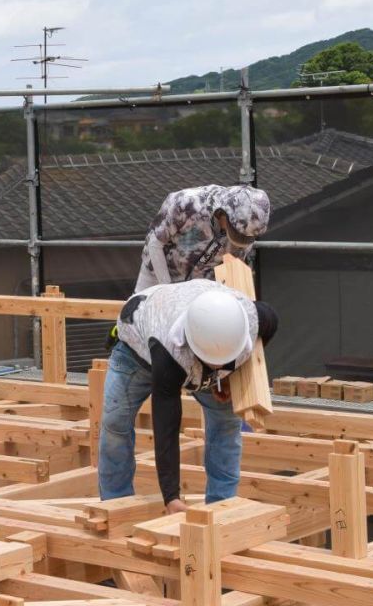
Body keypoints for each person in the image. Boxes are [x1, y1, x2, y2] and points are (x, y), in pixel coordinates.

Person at [98, 279, 279, 513]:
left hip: (194, 340)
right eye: (213, 361)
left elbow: (270, 325)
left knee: (226, 424)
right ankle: (116, 505)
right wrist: (171, 496)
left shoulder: (255, 319)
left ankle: (221, 507)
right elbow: (166, 428)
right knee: (115, 425)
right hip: (137, 349)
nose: (219, 365)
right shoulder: (169, 354)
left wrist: (226, 377)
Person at [135, 184, 271, 292]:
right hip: (159, 272)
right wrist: (168, 289)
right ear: (223, 212)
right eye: (235, 231)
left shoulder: (248, 230)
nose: (239, 238)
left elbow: (232, 267)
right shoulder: (185, 204)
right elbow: (155, 243)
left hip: (202, 282)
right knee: (139, 315)